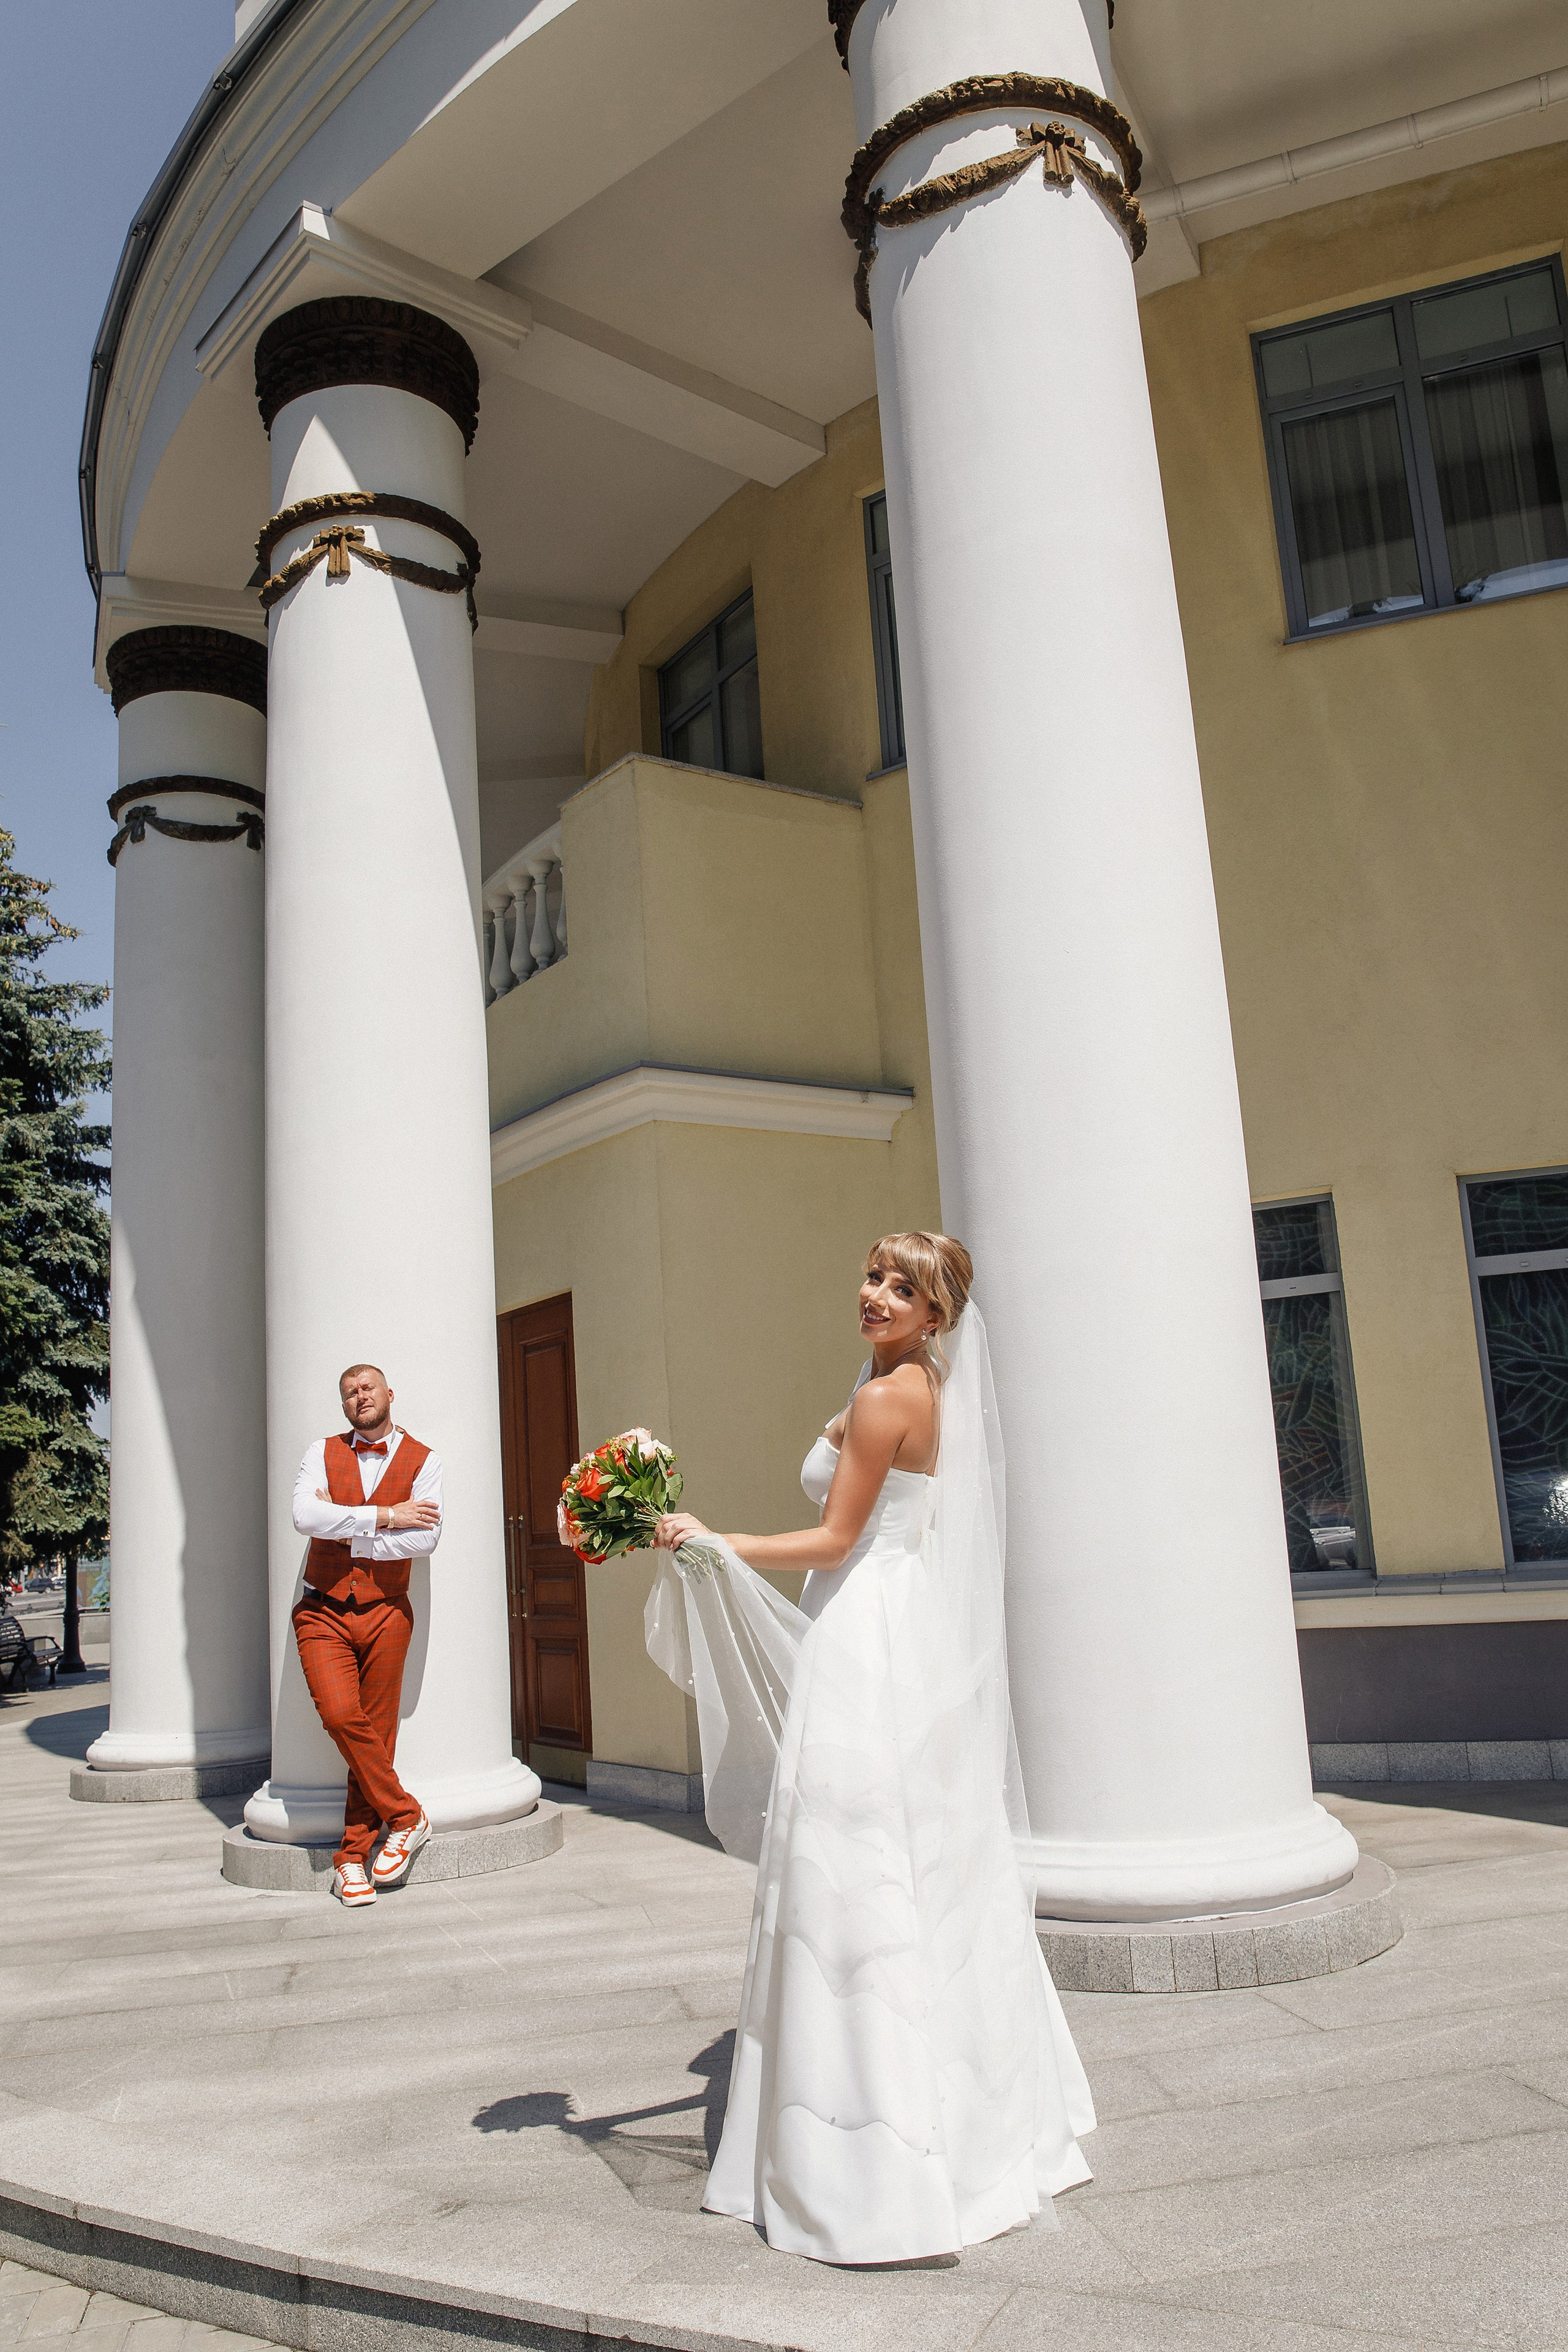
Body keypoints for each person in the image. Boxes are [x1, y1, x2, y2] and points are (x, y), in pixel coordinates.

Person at [649, 1232, 1095, 2266]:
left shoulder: (895, 1394)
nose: (876, 1295)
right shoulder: (904, 1377)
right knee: (910, 1855)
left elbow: (836, 1539)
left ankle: (875, 2158)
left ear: (938, 1314)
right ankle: (964, 2120)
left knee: (855, 1862)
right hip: (893, 1625)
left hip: (862, 1629)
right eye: (873, 1275)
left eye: (904, 1288)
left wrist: (718, 1542)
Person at [291, 1363, 443, 1908]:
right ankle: (406, 1815)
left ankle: (351, 1860)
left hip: (386, 1612)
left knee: (375, 1736)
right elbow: (306, 1516)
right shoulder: (322, 1451)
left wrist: (348, 1526)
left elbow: (425, 1539)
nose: (360, 1397)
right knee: (338, 1715)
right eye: (351, 1392)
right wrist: (384, 1517)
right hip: (322, 1610)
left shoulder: (425, 1458)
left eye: (368, 1388)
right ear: (344, 1405)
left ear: (389, 1395)